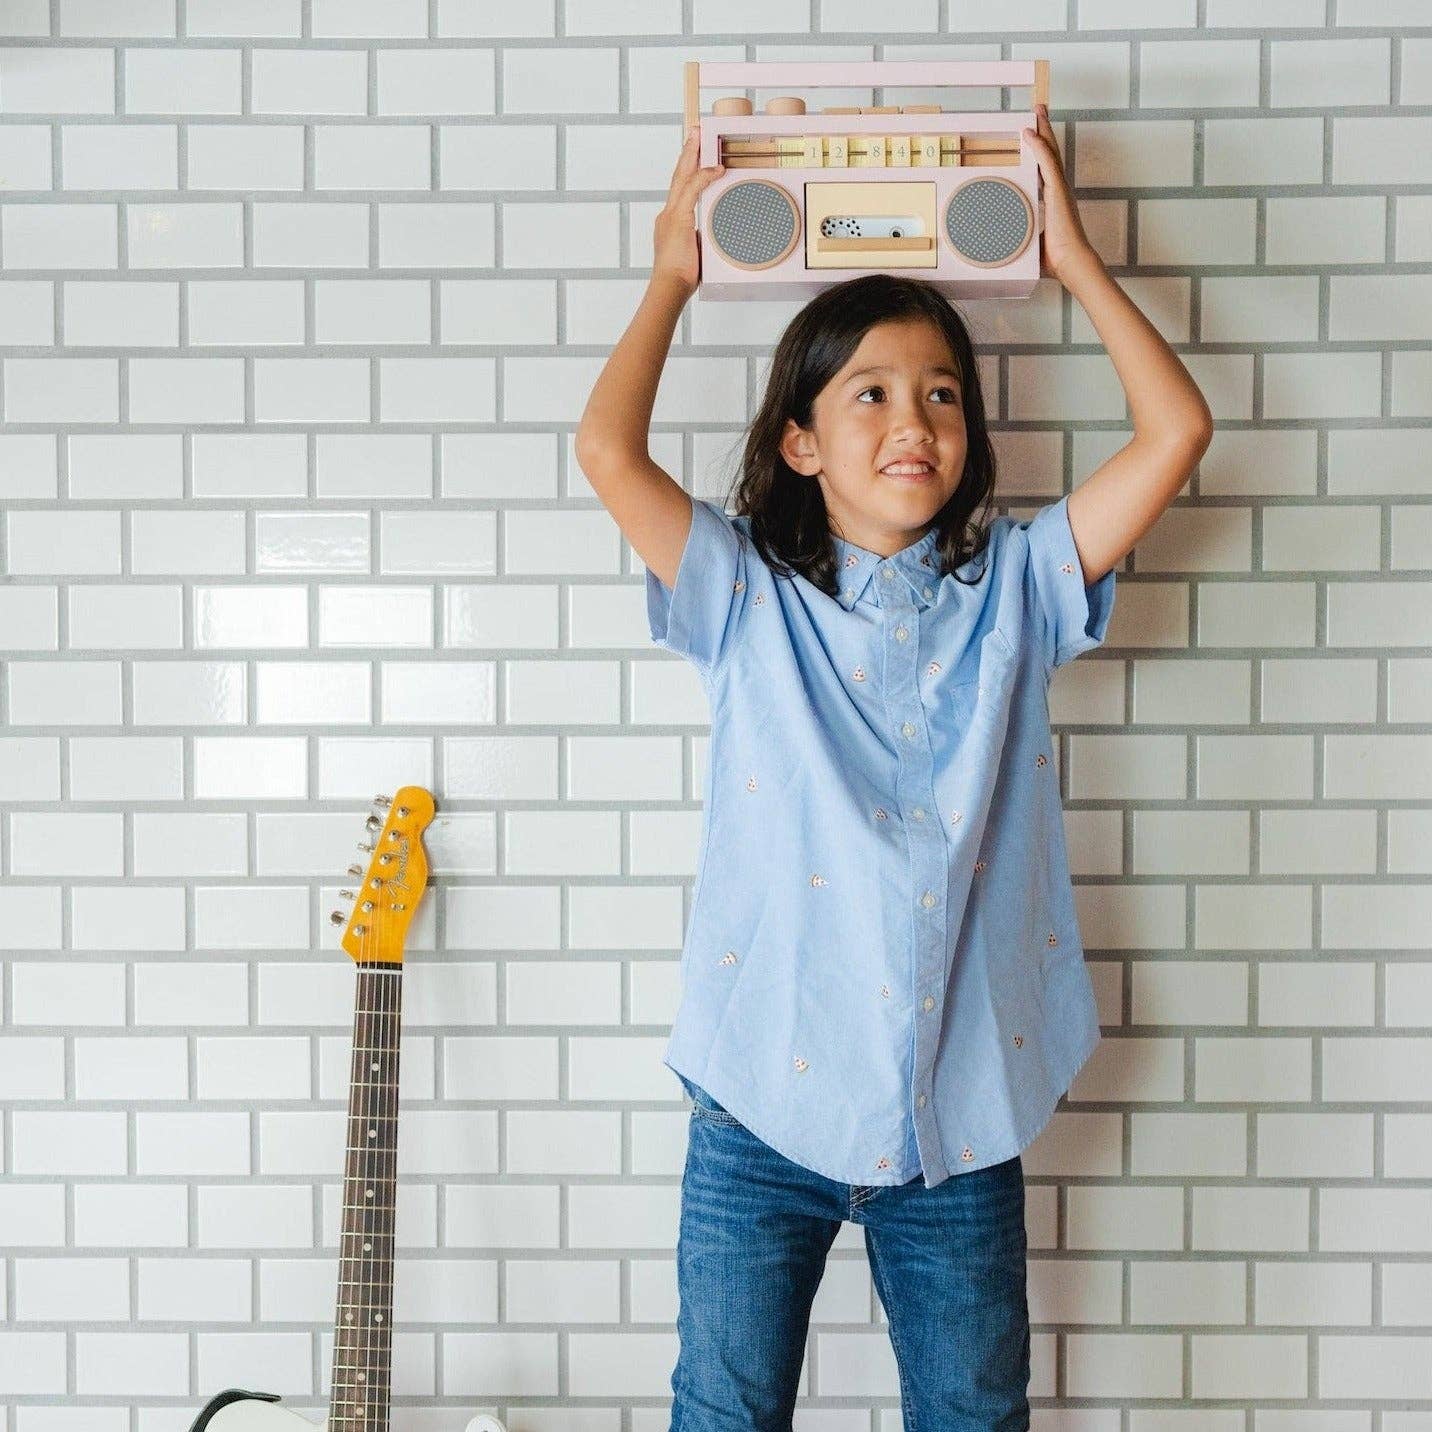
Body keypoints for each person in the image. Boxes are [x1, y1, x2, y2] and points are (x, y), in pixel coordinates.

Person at [575, 104, 1212, 1432]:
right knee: (722, 1414)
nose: (913, 418)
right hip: (760, 1115)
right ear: (799, 440)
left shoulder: (1019, 594)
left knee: (976, 1421)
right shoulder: (745, 599)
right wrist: (669, 279)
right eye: (867, 391)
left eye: (940, 394)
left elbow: (1175, 436)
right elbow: (606, 454)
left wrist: (1078, 259)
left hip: (958, 1115)